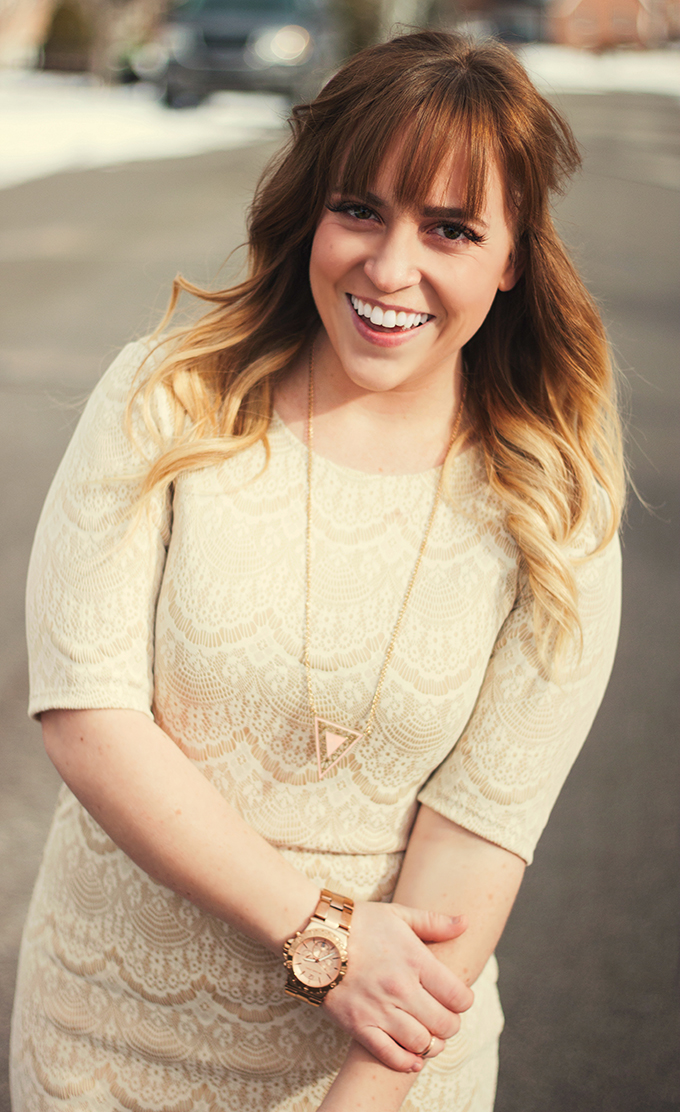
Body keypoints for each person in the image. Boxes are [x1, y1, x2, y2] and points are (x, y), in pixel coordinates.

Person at [10, 29, 624, 1112]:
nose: (391, 268)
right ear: (311, 212)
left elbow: (480, 836)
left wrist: (362, 1098)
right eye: (360, 210)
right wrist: (324, 935)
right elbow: (86, 712)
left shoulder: (553, 510)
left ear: (513, 257)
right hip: (105, 1046)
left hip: (383, 1070)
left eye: (450, 228)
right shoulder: (167, 398)